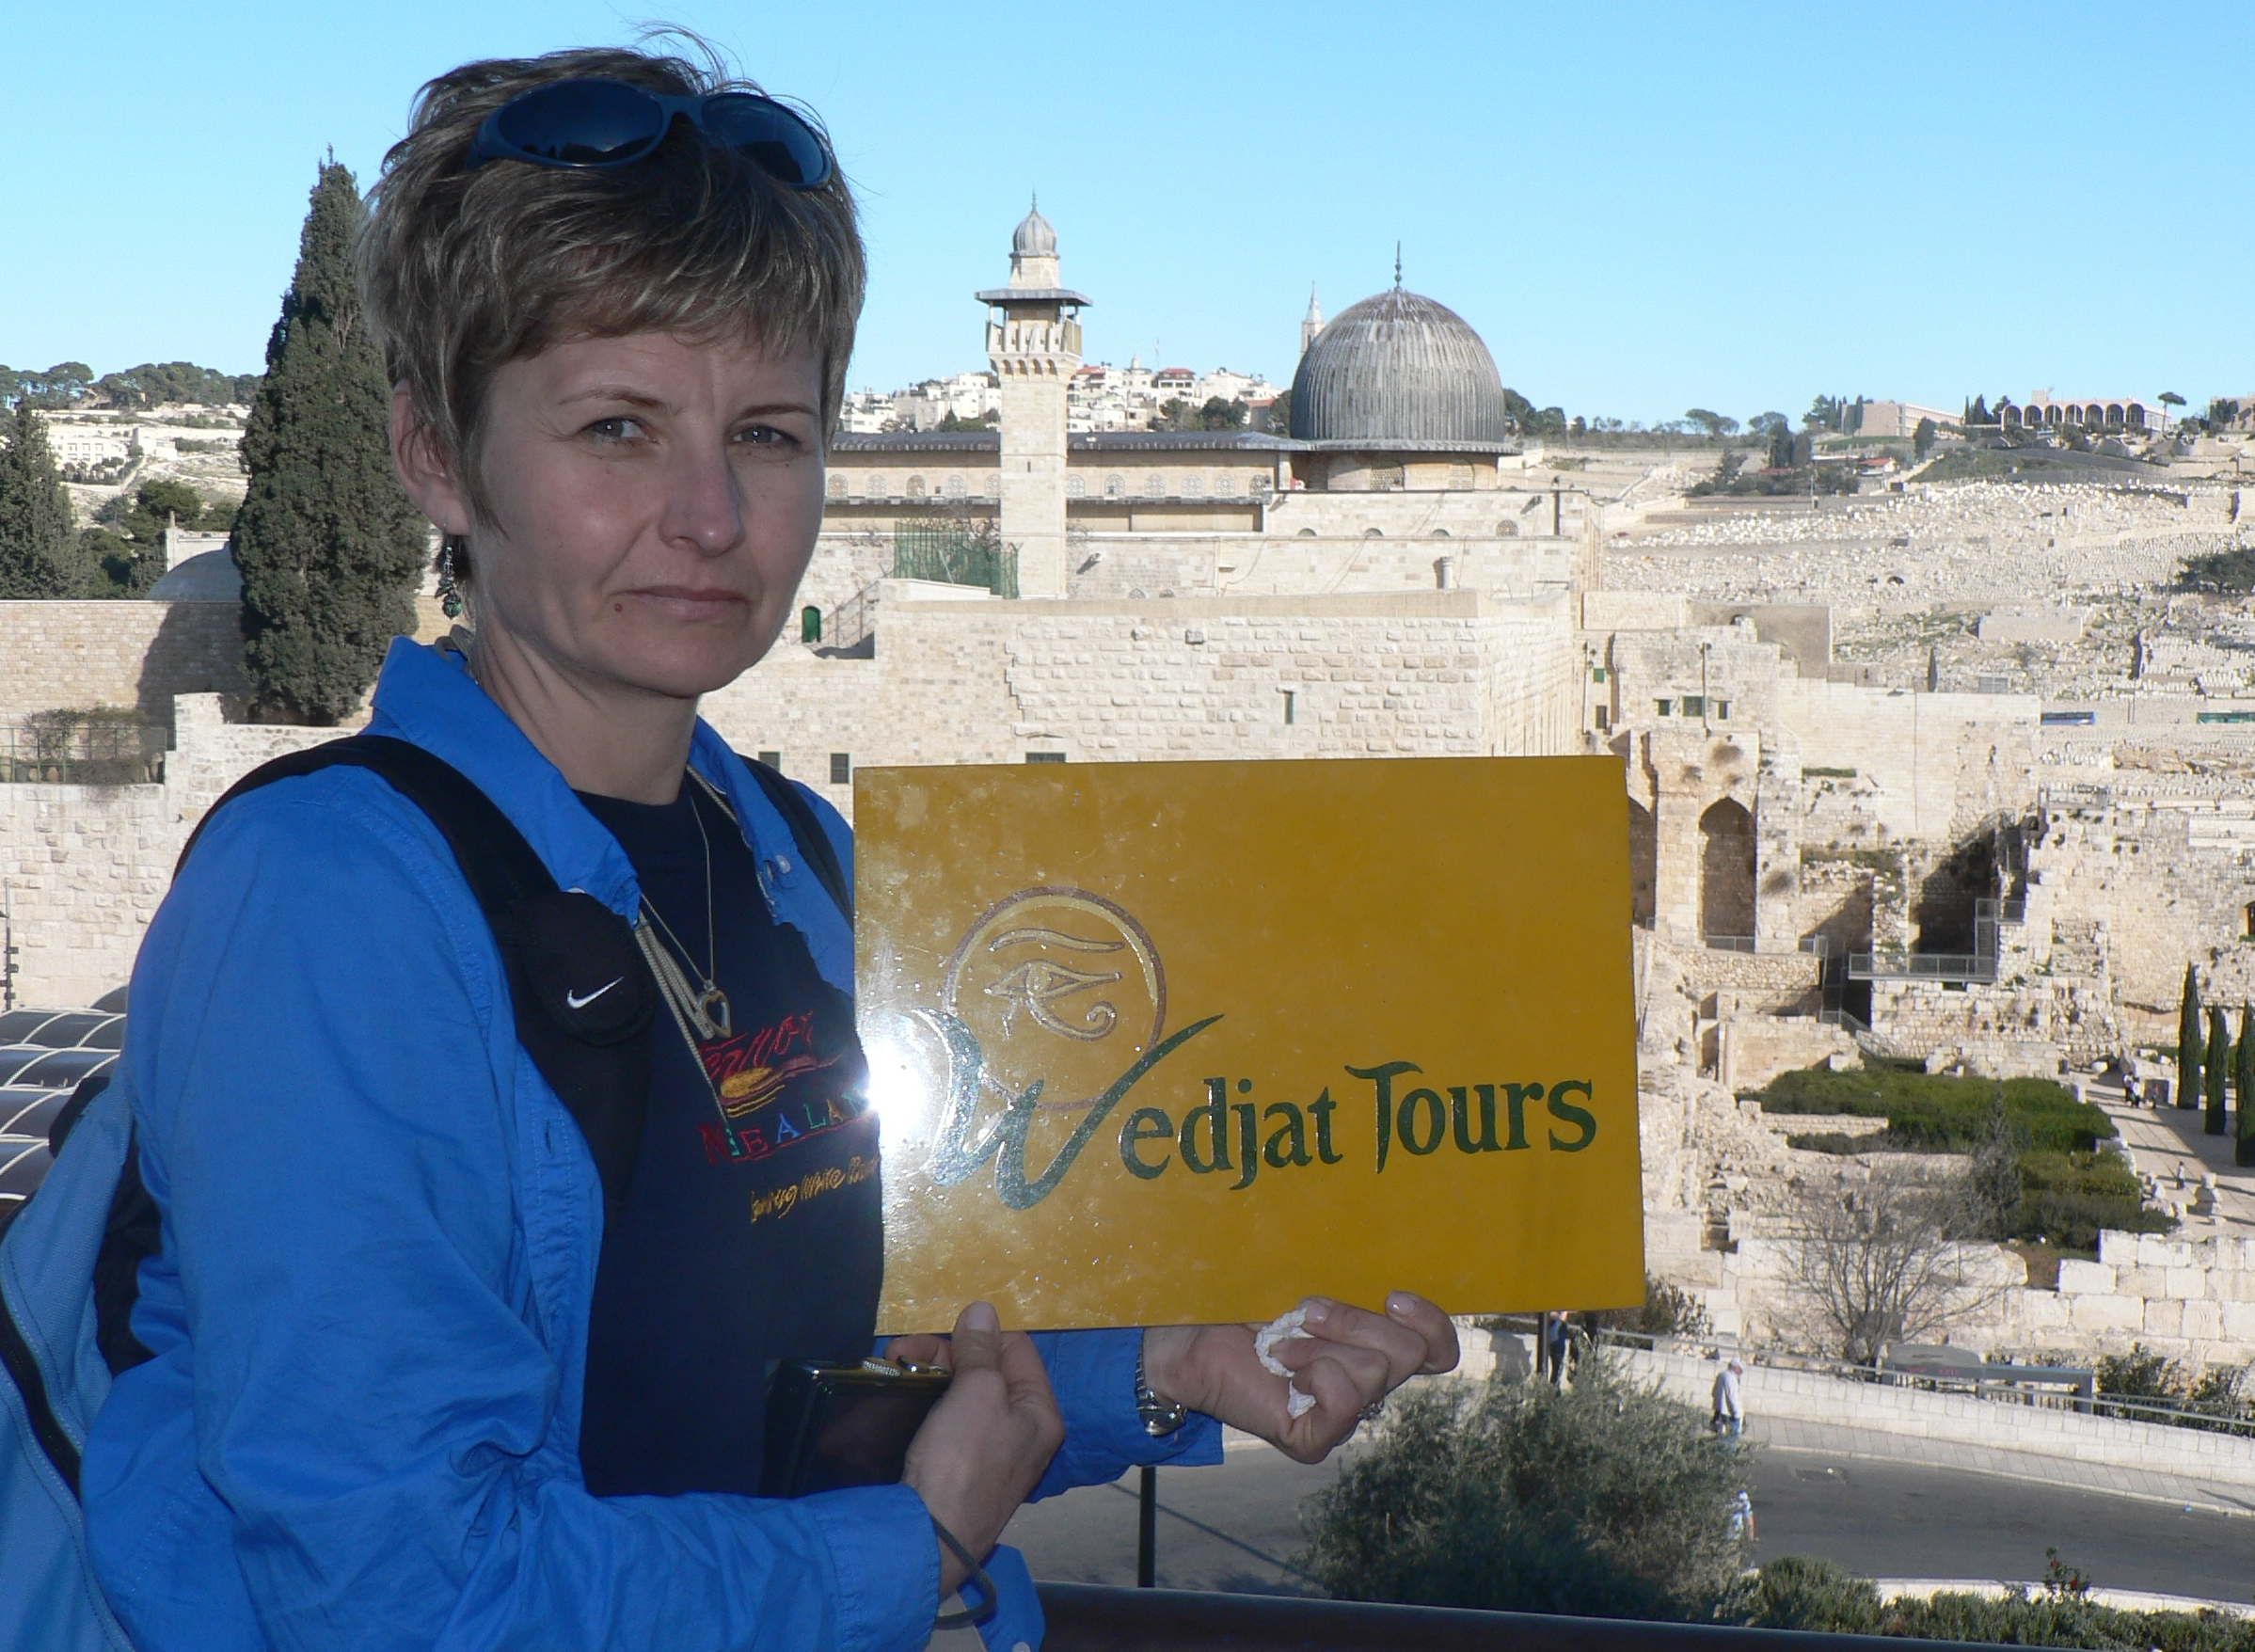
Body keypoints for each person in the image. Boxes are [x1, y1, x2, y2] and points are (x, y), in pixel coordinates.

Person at [78, 40, 1457, 1652]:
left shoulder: (800, 858)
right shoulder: (329, 905)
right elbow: (402, 1595)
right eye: (614, 429)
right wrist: (911, 1551)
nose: (713, 517)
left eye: (769, 433)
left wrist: (1166, 1364)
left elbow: (852, 1371)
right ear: (434, 455)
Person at [1712, 1357, 1745, 1436]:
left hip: (1720, 1410)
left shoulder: (1722, 1375)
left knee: (1720, 1436)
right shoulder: (1730, 1378)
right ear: (1735, 1368)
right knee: (1731, 1439)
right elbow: (1732, 1396)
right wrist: (1737, 1414)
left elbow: (1714, 1392)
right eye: (1739, 1369)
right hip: (1729, 1414)